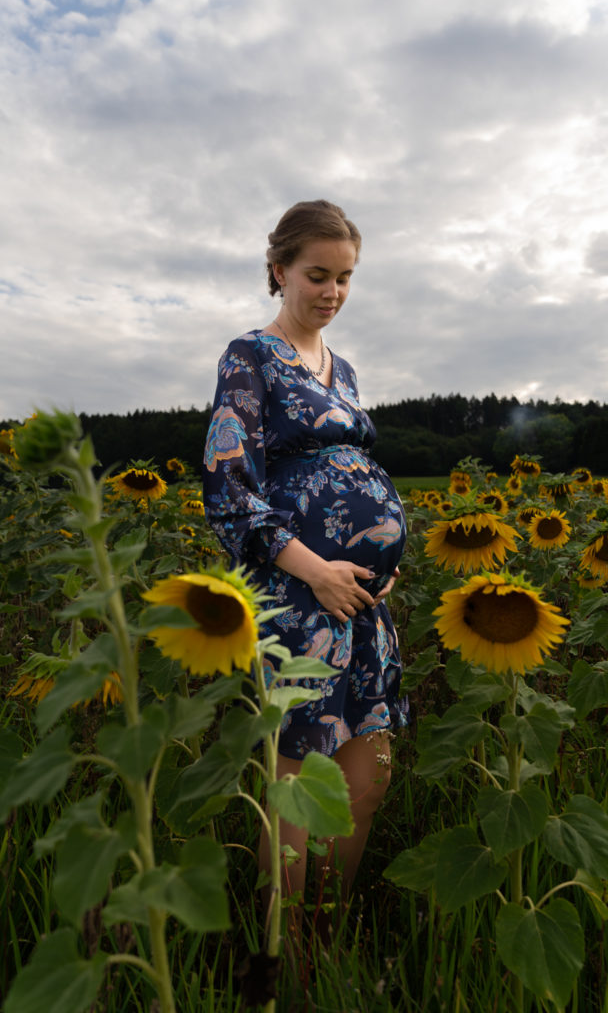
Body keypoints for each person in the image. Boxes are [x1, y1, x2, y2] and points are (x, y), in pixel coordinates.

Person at [202, 199, 408, 936]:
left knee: (363, 777)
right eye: (317, 275)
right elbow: (228, 490)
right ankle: (281, 954)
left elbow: (348, 472)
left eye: (345, 278)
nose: (332, 292)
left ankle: (328, 939)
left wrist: (380, 564)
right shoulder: (248, 356)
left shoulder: (342, 369)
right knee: (296, 782)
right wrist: (317, 568)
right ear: (279, 269)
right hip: (297, 598)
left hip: (360, 605)